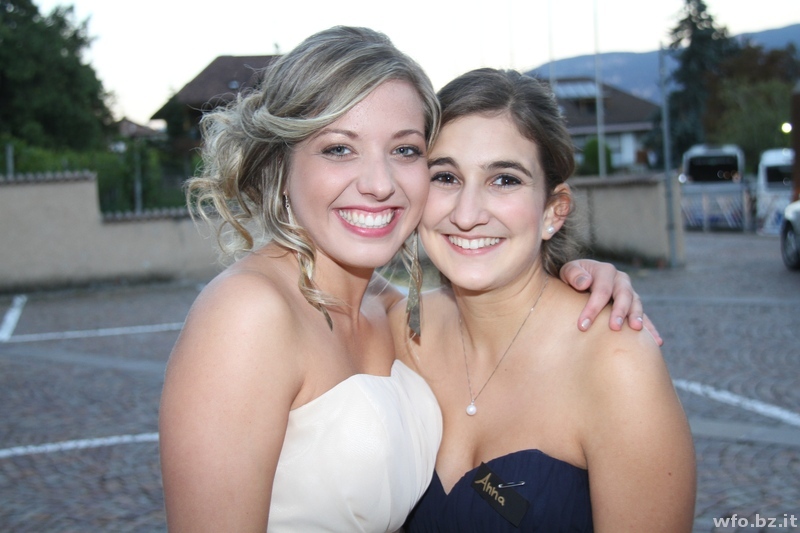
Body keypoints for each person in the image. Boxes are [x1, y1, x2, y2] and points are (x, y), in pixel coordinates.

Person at [159, 27, 657, 532]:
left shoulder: (395, 314)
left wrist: (579, 274)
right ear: (280, 166)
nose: (379, 184)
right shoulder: (247, 313)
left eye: (404, 151)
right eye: (339, 149)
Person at [397, 69, 696, 532]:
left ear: (553, 212)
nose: (467, 214)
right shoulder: (398, 333)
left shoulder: (614, 361)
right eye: (446, 177)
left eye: (504, 180)